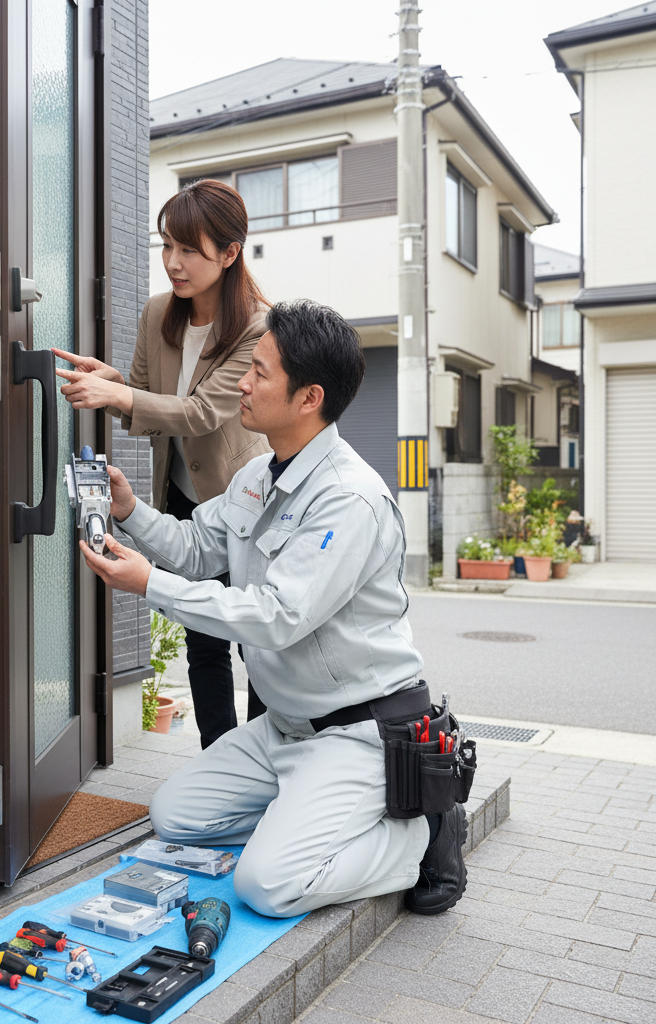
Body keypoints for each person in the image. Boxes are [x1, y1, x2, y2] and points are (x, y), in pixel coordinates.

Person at [75, 299, 466, 919]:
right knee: (173, 815)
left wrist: (149, 584)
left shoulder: (349, 499)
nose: (243, 384)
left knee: (266, 885)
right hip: (283, 728)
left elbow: (277, 615)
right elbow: (200, 548)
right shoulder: (258, 472)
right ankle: (308, 812)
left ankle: (421, 834)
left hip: (356, 733)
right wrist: (127, 510)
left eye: (258, 372)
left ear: (309, 397)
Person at [52, 179, 271, 749]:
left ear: (229, 253)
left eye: (189, 250)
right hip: (180, 502)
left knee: (255, 641)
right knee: (202, 638)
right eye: (166, 246)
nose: (173, 263)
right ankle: (219, 760)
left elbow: (200, 413)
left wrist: (121, 398)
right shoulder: (158, 315)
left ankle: (267, 762)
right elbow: (152, 401)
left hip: (243, 503)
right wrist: (116, 383)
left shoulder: (258, 328)